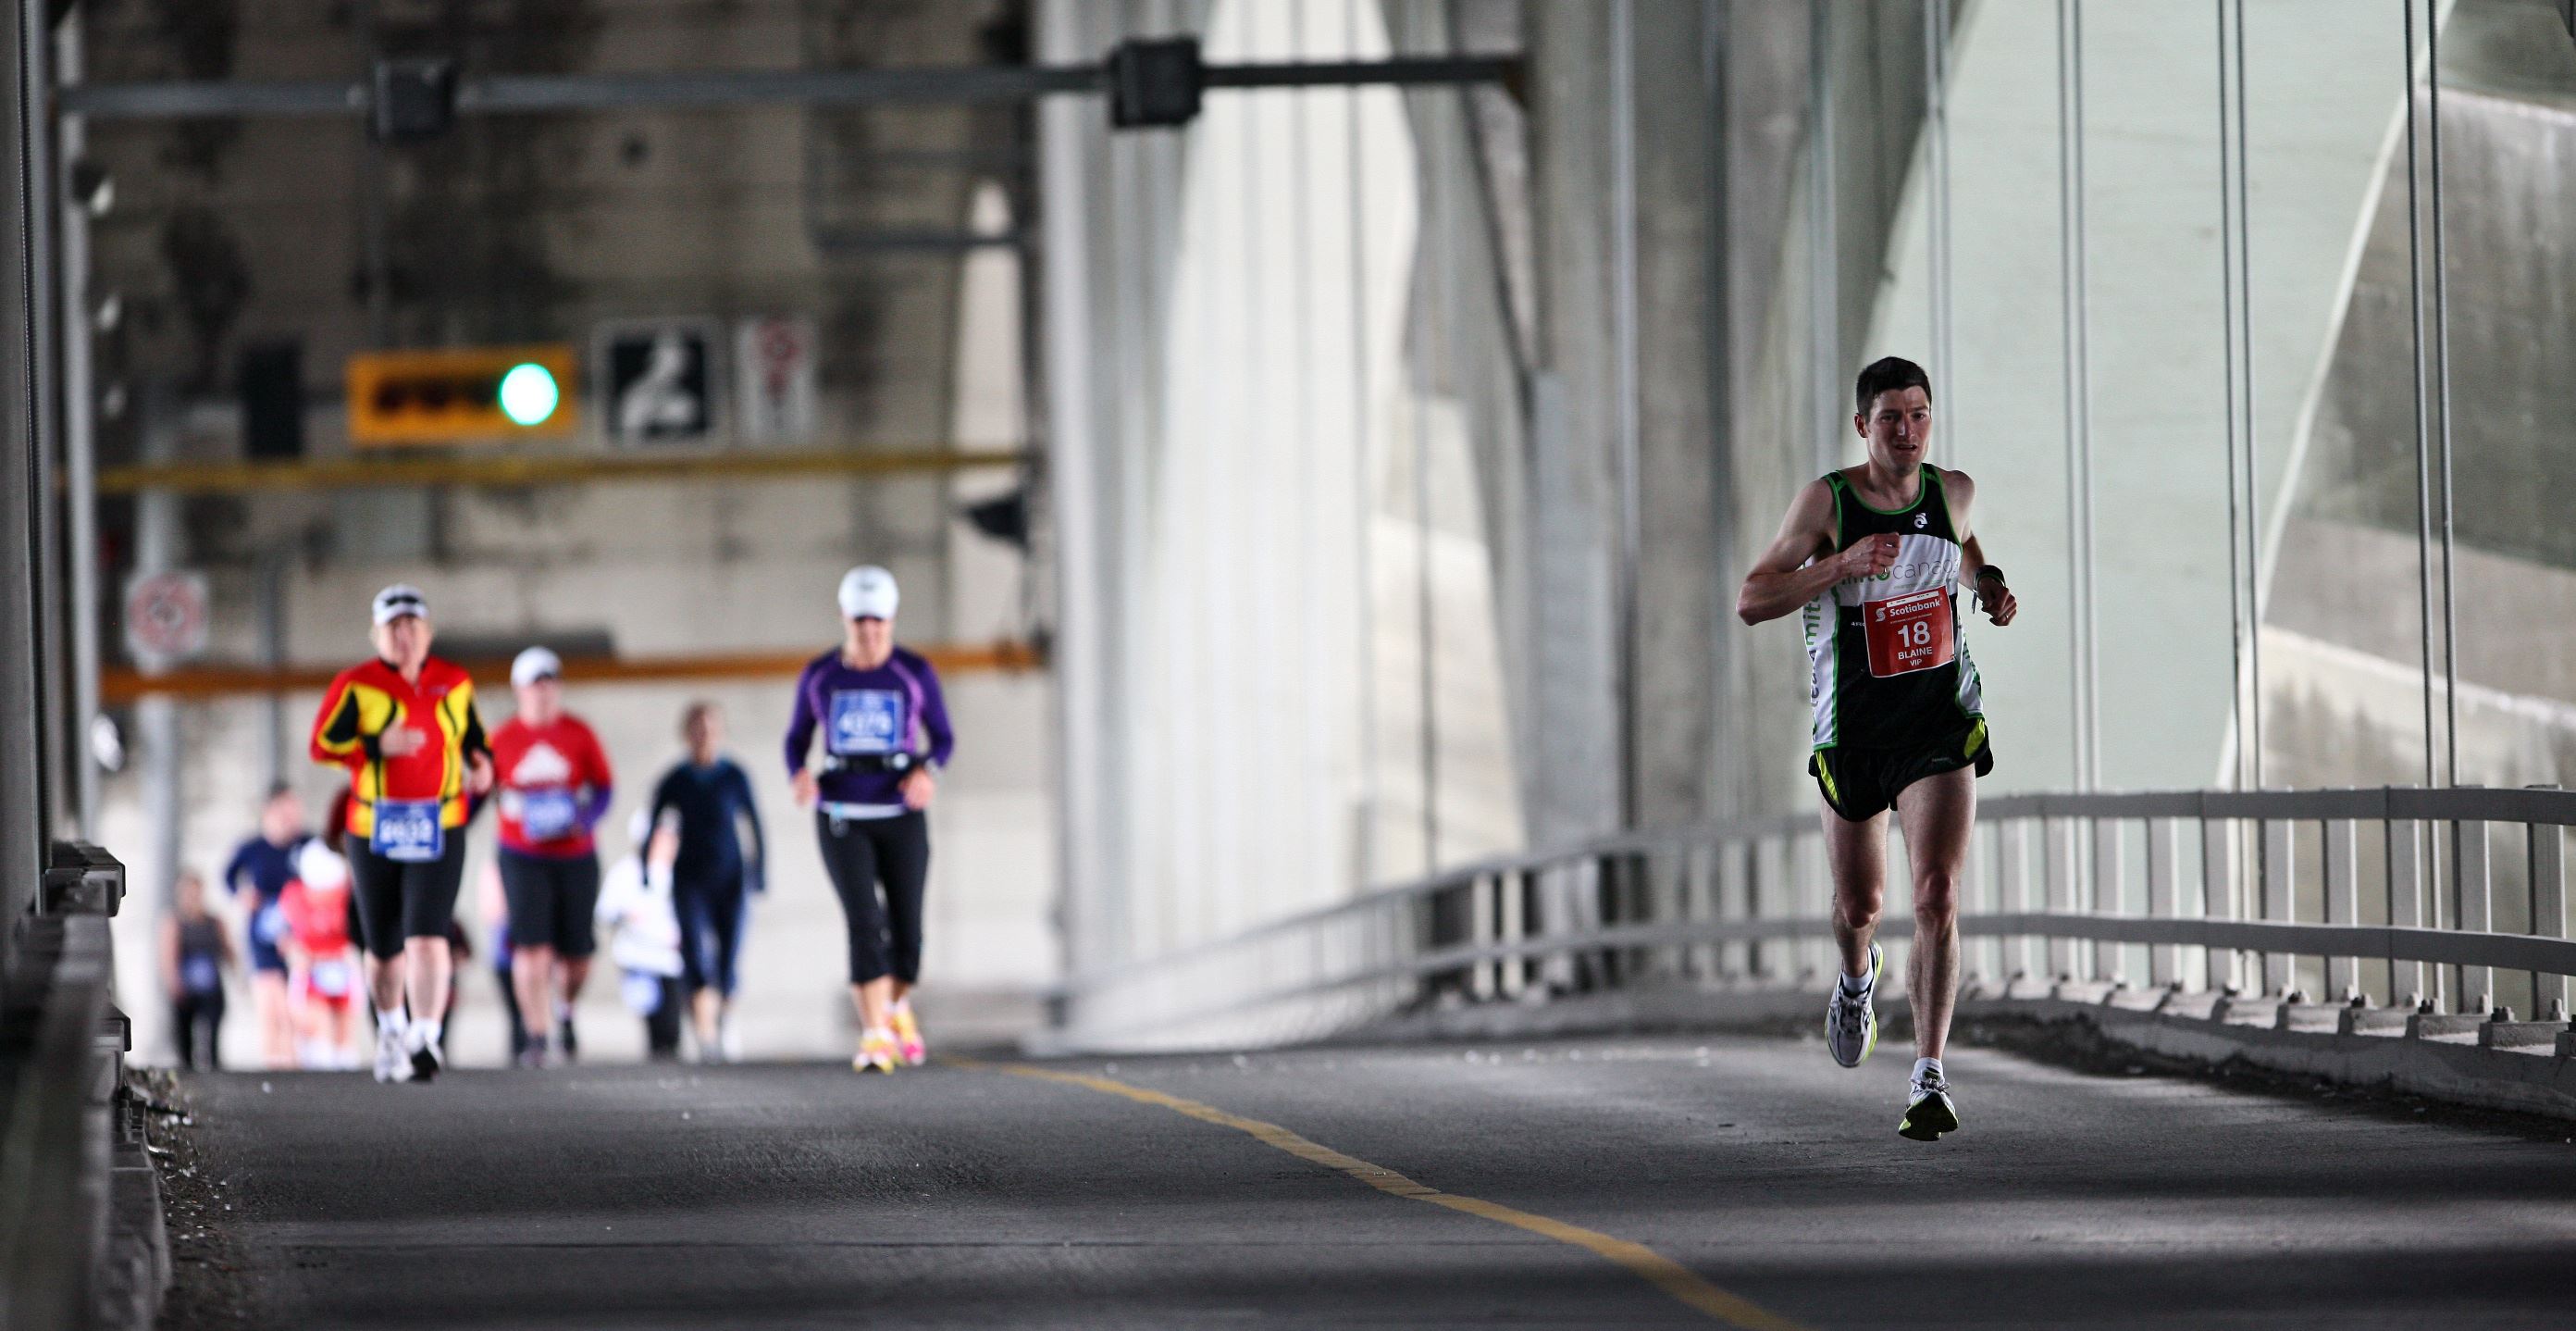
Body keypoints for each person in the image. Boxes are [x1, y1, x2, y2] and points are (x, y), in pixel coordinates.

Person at [1735, 355, 2018, 1142]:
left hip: (1938, 727)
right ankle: (1858, 976)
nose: (1907, 431)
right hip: (1854, 736)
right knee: (1861, 908)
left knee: (1937, 896)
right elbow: (1752, 598)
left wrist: (1989, 587)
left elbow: (1963, 550)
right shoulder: (1827, 502)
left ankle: (1929, 1076)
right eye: (1890, 417)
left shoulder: (1950, 492)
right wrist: (1840, 566)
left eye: (1920, 414)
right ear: (1864, 426)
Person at [309, 584, 494, 1083]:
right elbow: (322, 744)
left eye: (412, 626)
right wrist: (375, 744)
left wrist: (483, 763)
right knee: (385, 945)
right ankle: (391, 1031)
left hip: (440, 824)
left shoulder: (453, 682)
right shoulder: (356, 684)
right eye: (393, 627)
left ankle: (426, 1036)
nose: (404, 636)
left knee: (429, 935)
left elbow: (475, 737)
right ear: (377, 635)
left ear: (428, 633)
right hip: (375, 828)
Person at [786, 566, 953, 1074]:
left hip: (900, 811)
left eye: (878, 621)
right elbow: (797, 738)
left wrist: (929, 771)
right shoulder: (820, 675)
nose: (869, 631)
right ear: (844, 619)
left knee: (908, 937)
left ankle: (896, 1006)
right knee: (865, 923)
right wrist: (799, 774)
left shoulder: (913, 672)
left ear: (892, 619)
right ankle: (875, 1032)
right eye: (860, 621)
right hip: (842, 812)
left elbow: (943, 738)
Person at [489, 647, 615, 1067]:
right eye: (534, 685)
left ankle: (565, 1009)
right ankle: (537, 1035)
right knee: (532, 948)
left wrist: (586, 818)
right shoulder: (502, 739)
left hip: (575, 854)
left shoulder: (579, 733)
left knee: (577, 954)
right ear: (519, 690)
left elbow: (604, 787)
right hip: (521, 854)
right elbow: (477, 791)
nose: (543, 693)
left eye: (550, 684)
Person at [649, 702, 765, 1062]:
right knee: (696, 956)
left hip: (730, 876)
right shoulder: (676, 779)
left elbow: (754, 824)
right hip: (690, 877)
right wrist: (644, 871)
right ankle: (704, 1032)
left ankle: (725, 1017)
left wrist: (760, 872)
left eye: (710, 726)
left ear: (720, 731)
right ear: (686, 733)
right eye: (697, 727)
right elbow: (655, 823)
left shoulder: (734, 776)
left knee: (729, 956)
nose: (704, 734)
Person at [219, 783, 308, 1069]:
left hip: (298, 938)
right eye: (284, 810)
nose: (290, 817)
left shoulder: (307, 845)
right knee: (270, 1007)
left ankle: (295, 1065)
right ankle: (274, 1066)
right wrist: (242, 895)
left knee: (294, 1008)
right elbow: (229, 877)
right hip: (262, 937)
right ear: (269, 812)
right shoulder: (252, 848)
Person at [595, 807, 688, 1061]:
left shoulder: (680, 872)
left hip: (671, 960)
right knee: (655, 1021)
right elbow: (605, 911)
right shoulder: (627, 872)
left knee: (672, 1025)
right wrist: (627, 915)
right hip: (638, 960)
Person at [279, 840, 363, 1070]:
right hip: (311, 972)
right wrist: (296, 952)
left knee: (345, 1029)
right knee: (318, 1023)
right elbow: (283, 936)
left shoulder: (351, 896)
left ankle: (346, 1072)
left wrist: (353, 955)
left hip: (343, 969)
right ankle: (318, 1071)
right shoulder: (293, 895)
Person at [161, 869, 235, 1071]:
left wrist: (237, 974)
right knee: (185, 1035)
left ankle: (213, 1068)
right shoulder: (175, 922)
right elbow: (168, 955)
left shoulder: (214, 922)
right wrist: (174, 982)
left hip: (211, 987)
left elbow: (228, 950)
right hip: (187, 986)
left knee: (212, 1031)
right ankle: (188, 1070)